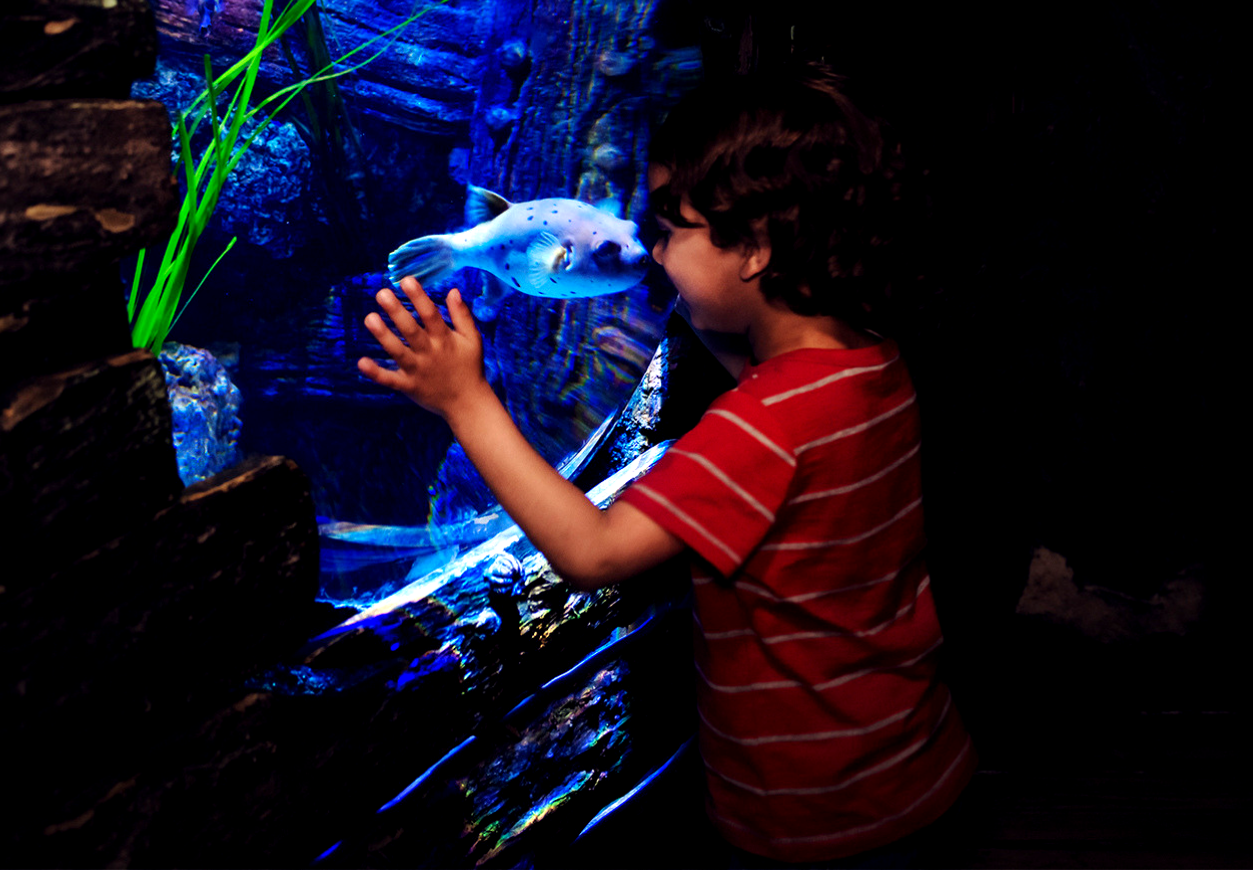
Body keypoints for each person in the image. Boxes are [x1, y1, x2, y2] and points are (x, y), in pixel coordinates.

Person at [356, 64, 975, 867]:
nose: (649, 250)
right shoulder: (872, 363)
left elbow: (593, 553)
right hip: (913, 756)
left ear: (751, 249)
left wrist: (464, 398)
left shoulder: (759, 429)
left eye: (669, 228)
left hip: (815, 816)